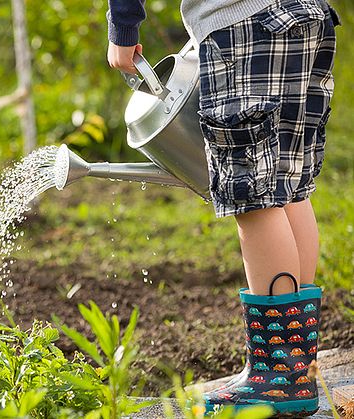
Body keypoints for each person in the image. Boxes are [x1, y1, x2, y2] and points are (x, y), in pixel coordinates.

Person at [106, 0, 339, 416]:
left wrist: (122, 28)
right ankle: (294, 370)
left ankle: (278, 378)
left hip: (240, 22)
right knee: (290, 189)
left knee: (253, 197)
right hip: (308, 16)